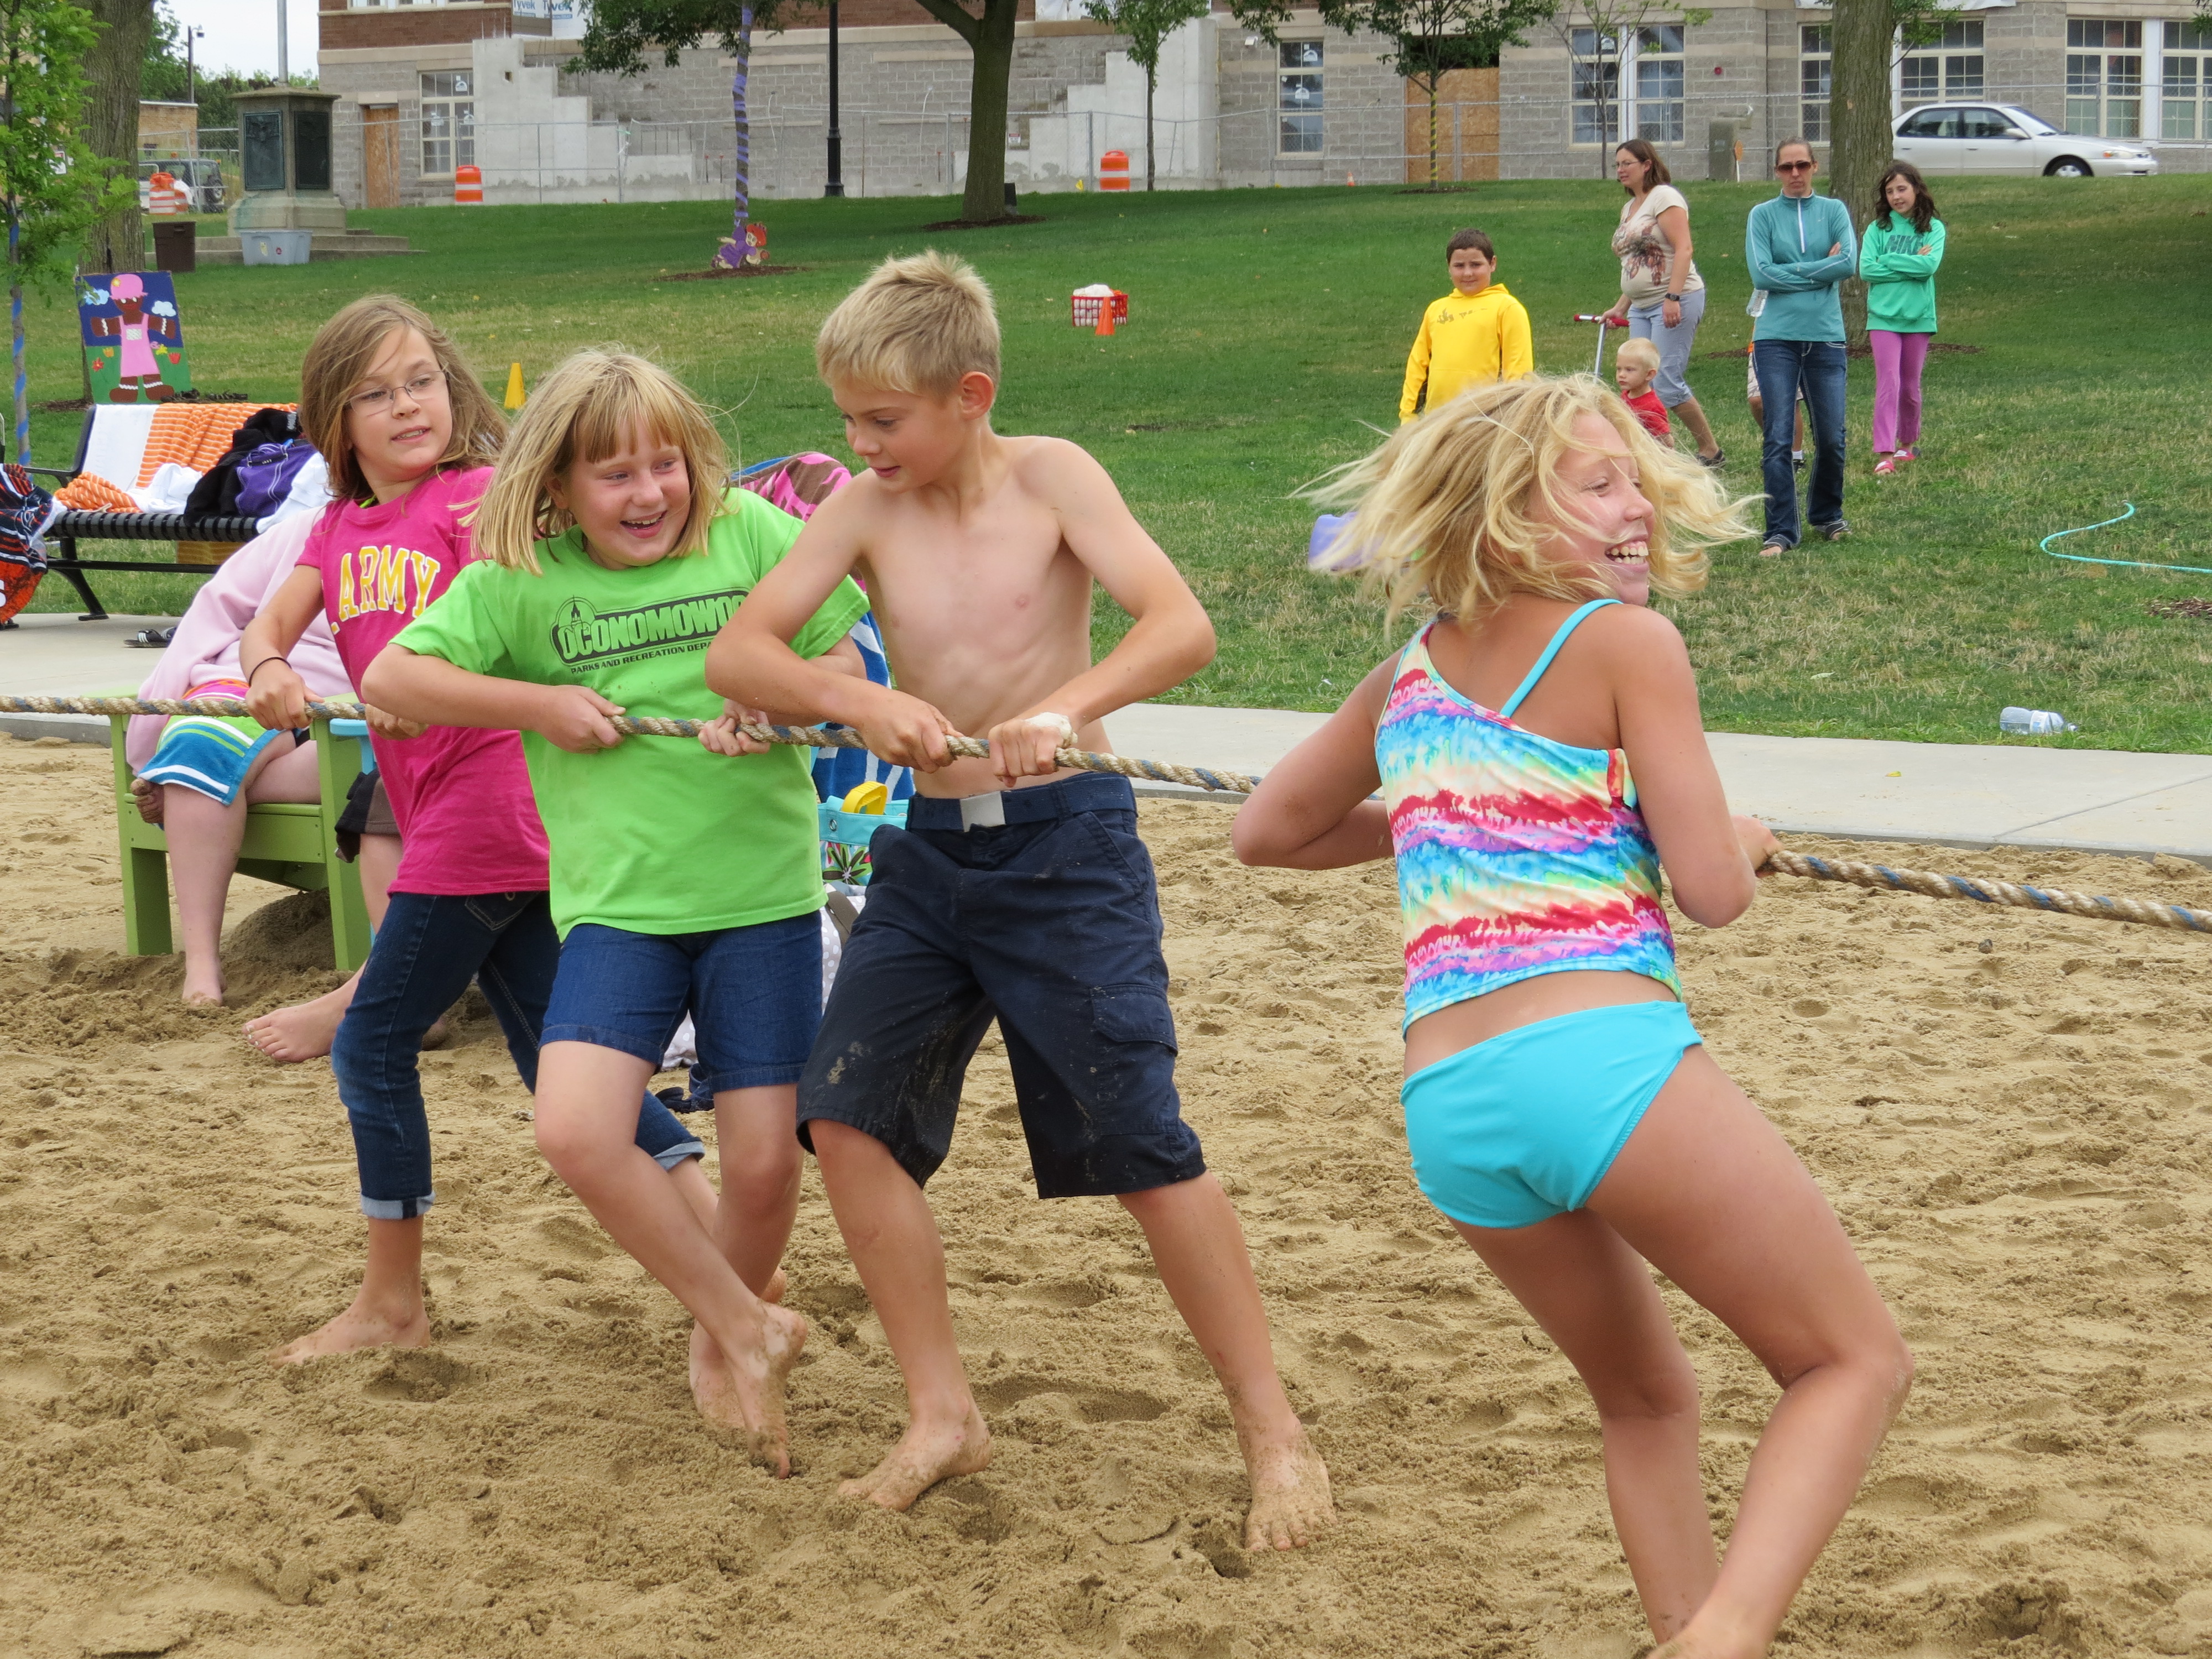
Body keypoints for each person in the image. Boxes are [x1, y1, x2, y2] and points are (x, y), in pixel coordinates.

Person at [1239, 376, 1912, 1655]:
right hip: (1596, 1064)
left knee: (1644, 1401)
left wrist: (1460, 810)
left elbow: (1267, 831)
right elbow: (1709, 889)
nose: (1634, 509)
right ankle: (1723, 1638)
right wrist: (1739, 838)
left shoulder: (1405, 677)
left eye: (1635, 483)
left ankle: (1679, 1630)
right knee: (1850, 1363)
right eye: (1597, 487)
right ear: (1499, 518)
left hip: (1452, 1108)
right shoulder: (1622, 644)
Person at [708, 250, 1335, 1550]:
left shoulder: (1055, 478)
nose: (858, 443)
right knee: (845, 1118)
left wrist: (1064, 707)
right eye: (847, 418)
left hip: (1067, 851)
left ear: (970, 396)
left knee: (1139, 1138)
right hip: (930, 856)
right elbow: (741, 652)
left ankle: (1272, 1429)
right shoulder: (862, 510)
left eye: (883, 419)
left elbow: (1179, 624)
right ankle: (941, 1414)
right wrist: (858, 699)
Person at [364, 350, 870, 1473]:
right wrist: (536, 703)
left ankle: (718, 1342)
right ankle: (743, 1325)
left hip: (762, 903)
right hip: (618, 912)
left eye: (665, 465)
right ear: (556, 484)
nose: (649, 494)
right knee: (575, 1129)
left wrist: (777, 698)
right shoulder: (522, 579)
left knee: (762, 1166)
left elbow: (841, 657)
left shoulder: (747, 533)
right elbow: (393, 680)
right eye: (614, 475)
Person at [239, 298, 713, 1371]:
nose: (408, 406)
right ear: (333, 419)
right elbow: (270, 623)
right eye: (375, 393)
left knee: (370, 1045)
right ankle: (731, 1256)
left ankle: (391, 1304)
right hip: (462, 821)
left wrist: (435, 690)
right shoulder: (338, 527)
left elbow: (518, 632)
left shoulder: (474, 501)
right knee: (562, 1058)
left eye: (421, 381)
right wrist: (267, 666)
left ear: (451, 388)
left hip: (490, 810)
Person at [122, 512, 389, 1014]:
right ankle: (202, 962)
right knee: (201, 741)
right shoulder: (310, 526)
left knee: (374, 757)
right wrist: (151, 731)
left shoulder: (466, 517)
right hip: (254, 678)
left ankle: (187, 781)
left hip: (372, 695)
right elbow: (214, 613)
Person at [1745, 137, 1855, 557]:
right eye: (1786, 167)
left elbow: (1848, 263)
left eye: (1802, 165)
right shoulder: (1762, 215)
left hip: (1826, 336)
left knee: (1832, 437)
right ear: (1776, 171)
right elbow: (1762, 274)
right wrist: (1820, 270)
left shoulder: (1834, 211)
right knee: (1777, 437)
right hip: (1775, 338)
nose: (1795, 174)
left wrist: (1789, 270)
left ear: (1814, 166)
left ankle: (1828, 515)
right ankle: (1780, 530)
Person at [1599, 139, 1721, 466]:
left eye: (1627, 163)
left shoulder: (1664, 197)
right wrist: (1622, 306)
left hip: (1676, 299)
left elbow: (1684, 249)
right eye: (1617, 165)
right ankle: (1650, 453)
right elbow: (1638, 263)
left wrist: (1673, 297)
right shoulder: (1630, 208)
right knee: (1638, 378)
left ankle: (1710, 450)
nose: (1620, 170)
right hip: (1641, 307)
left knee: (1665, 380)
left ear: (1647, 165)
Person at [1860, 161, 1945, 477]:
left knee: (1909, 386)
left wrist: (1888, 260)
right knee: (1889, 382)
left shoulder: (1933, 228)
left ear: (1916, 189)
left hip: (1919, 317)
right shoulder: (1877, 229)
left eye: (1902, 189)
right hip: (1883, 318)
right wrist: (1910, 263)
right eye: (1890, 191)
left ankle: (1906, 444)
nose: (1896, 196)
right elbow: (1867, 269)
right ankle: (1885, 453)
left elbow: (1929, 267)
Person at [1399, 227, 1533, 422]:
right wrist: (1408, 416)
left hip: (1485, 420)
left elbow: (1519, 371)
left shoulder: (1507, 308)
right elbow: (1418, 366)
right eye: (1459, 266)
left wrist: (1512, 417)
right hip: (1437, 419)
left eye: (1476, 265)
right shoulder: (1436, 310)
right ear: (1449, 267)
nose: (1468, 273)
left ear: (1492, 264)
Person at [1743, 345, 1807, 471]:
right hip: (1762, 344)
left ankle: (1795, 456)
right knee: (1757, 401)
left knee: (1790, 399)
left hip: (1795, 343)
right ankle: (1779, 446)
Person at [1615, 338, 1671, 442]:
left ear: (1649, 374)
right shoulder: (1626, 394)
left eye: (1629, 370)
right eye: (1619, 369)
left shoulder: (1651, 406)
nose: (1621, 375)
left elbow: (1666, 441)